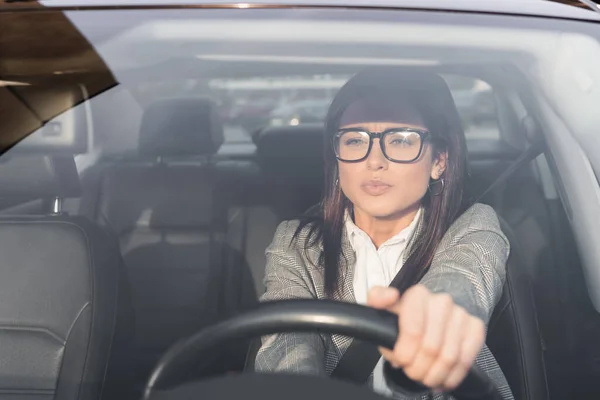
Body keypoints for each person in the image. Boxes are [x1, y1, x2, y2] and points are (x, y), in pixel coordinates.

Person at [254, 69, 512, 400]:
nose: (374, 160)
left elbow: (464, 279)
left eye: (401, 140)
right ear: (337, 159)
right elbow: (286, 346)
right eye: (355, 140)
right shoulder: (296, 243)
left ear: (440, 162)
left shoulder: (472, 225)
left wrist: (440, 314)